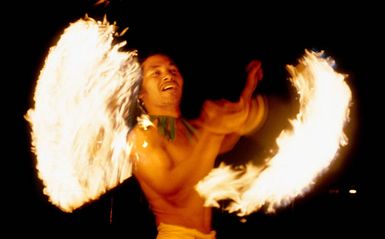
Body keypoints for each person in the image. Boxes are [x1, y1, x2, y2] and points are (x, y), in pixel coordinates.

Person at [127, 53, 267, 239]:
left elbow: (223, 142)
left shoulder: (188, 126)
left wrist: (249, 90)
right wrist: (213, 131)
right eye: (156, 73)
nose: (168, 75)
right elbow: (174, 190)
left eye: (172, 70)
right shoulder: (142, 135)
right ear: (141, 92)